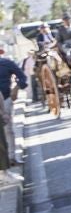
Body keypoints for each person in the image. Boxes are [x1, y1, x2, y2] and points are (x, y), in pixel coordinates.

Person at [0, 45, 26, 175]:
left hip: (5, 99)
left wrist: (16, 88)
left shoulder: (7, 63)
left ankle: (11, 157)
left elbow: (22, 77)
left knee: (7, 129)